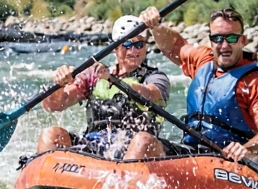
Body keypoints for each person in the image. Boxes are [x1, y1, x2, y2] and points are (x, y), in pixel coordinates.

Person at [130, 5, 258, 182]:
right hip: (192, 155)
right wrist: (156, 26)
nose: (224, 45)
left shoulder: (257, 82)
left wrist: (247, 150)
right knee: (143, 141)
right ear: (211, 40)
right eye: (217, 38)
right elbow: (174, 46)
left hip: (233, 164)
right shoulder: (203, 60)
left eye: (231, 38)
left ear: (243, 41)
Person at [35, 14, 171, 159]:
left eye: (139, 45)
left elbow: (149, 95)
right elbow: (54, 105)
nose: (134, 51)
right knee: (51, 135)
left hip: (136, 148)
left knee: (142, 141)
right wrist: (60, 84)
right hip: (96, 145)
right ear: (115, 47)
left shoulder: (156, 77)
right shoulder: (94, 75)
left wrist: (113, 80)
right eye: (127, 44)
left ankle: (125, 173)